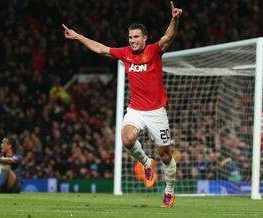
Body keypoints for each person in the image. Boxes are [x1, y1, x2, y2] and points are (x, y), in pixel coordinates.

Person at [63, 1, 182, 207]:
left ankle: (169, 191)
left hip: (156, 111)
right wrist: (79, 37)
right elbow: (100, 49)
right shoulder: (125, 53)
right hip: (135, 109)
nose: (133, 40)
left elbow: (168, 37)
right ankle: (146, 162)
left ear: (144, 38)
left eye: (136, 37)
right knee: (127, 139)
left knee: (165, 154)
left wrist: (175, 18)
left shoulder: (154, 51)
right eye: (130, 37)